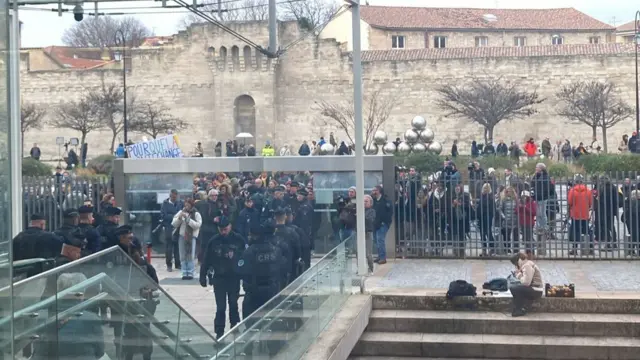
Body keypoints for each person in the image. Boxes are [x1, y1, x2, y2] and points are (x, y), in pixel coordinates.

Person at [200, 217, 245, 339]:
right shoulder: (214, 241)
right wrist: (202, 276)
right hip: (219, 278)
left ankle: (234, 325)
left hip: (233, 277)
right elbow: (206, 259)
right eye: (221, 230)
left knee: (233, 303)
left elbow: (245, 258)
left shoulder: (238, 240)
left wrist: (245, 274)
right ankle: (219, 330)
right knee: (221, 306)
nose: (223, 232)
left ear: (230, 226)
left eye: (225, 229)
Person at [238, 223, 282, 319]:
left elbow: (241, 271)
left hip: (254, 292)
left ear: (254, 236)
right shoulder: (275, 250)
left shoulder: (249, 252)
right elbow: (281, 268)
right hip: (272, 290)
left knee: (251, 321)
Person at [172, 198, 202, 280]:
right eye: (185, 205)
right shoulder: (181, 212)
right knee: (182, 255)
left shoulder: (196, 214)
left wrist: (188, 219)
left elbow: (197, 225)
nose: (186, 206)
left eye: (188, 204)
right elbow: (174, 224)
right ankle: (184, 272)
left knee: (191, 255)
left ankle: (190, 272)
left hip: (191, 236)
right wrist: (179, 218)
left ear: (191, 205)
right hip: (182, 236)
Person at [509, 252, 543, 317]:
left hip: (536, 290)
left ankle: (519, 309)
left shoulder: (527, 265)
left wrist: (518, 275)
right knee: (515, 288)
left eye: (515, 264)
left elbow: (526, 282)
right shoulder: (527, 264)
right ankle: (518, 309)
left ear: (519, 261)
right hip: (534, 289)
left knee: (514, 288)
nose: (516, 266)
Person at [567, 174, 593, 256]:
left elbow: (569, 202)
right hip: (585, 214)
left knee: (575, 231)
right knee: (587, 231)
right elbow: (590, 203)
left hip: (575, 214)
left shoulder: (572, 190)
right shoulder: (588, 191)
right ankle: (590, 248)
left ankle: (574, 249)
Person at [160, 189, 184, 272]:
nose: (174, 198)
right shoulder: (165, 204)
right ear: (170, 196)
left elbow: (183, 213)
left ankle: (178, 264)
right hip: (169, 227)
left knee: (177, 246)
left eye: (175, 197)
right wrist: (175, 216)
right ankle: (169, 265)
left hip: (178, 227)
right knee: (169, 247)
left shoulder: (180, 203)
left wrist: (175, 216)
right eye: (173, 196)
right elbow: (164, 216)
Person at [371, 185, 392, 264]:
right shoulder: (373, 200)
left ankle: (383, 258)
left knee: (380, 240)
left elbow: (389, 212)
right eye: (373, 190)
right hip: (375, 224)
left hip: (383, 224)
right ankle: (380, 256)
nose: (374, 192)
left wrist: (385, 222)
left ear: (380, 191)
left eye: (375, 190)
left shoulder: (385, 200)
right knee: (376, 241)